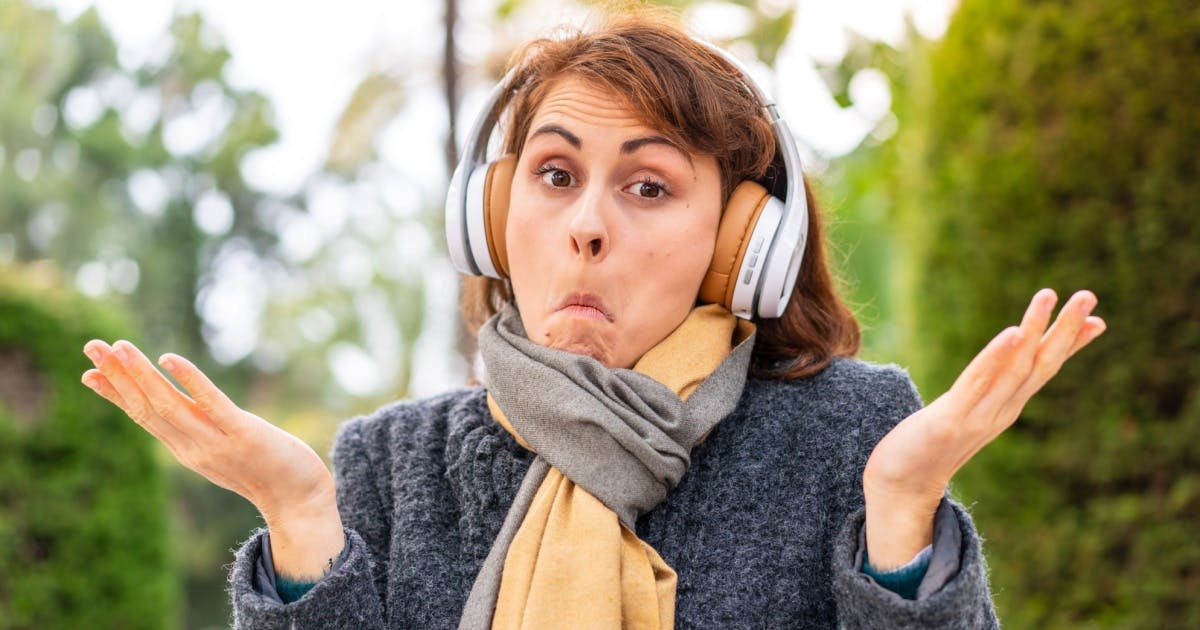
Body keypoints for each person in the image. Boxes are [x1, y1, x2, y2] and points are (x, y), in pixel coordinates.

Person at [79, 10, 1106, 629]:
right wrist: (301, 518)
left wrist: (901, 521)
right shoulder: (386, 469)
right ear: (493, 214)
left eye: (648, 187)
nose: (585, 227)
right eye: (556, 174)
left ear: (740, 239)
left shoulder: (852, 434)